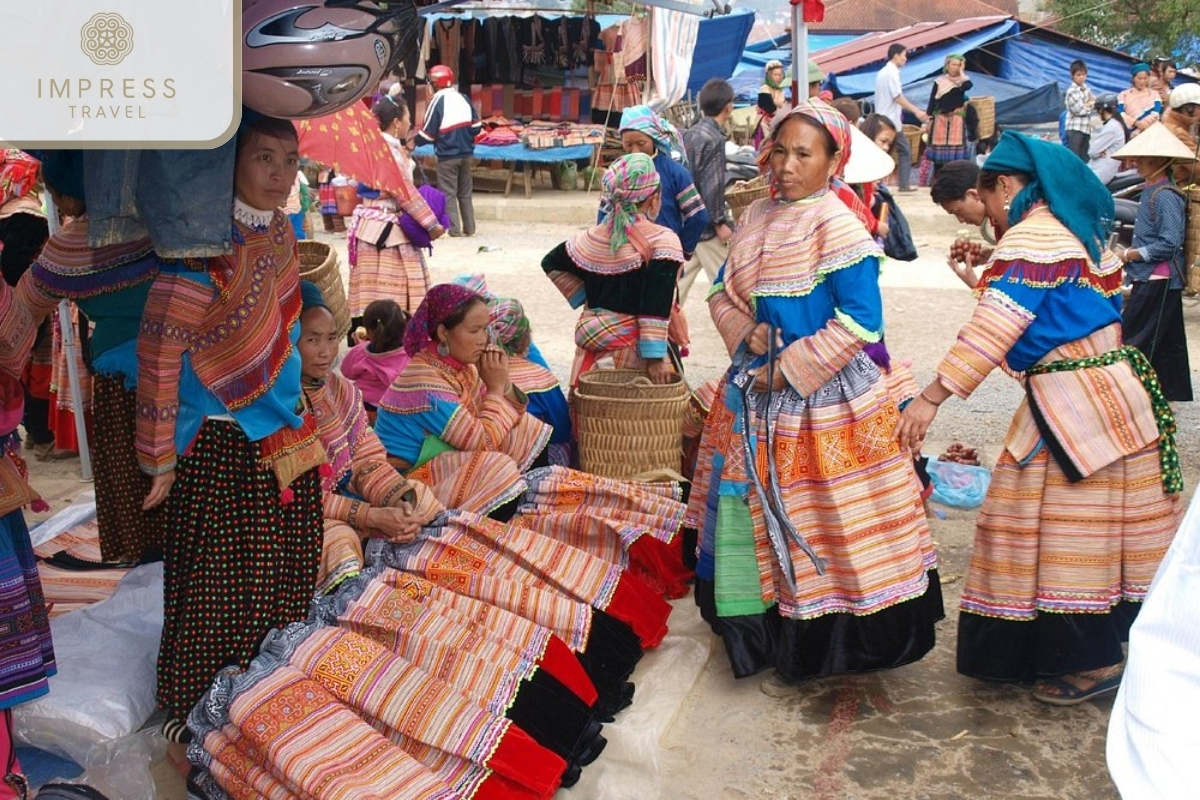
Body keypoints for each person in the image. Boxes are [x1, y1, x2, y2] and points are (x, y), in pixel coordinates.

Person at [896, 131, 1181, 706]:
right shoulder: (1075, 229)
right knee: (1099, 531)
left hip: (1073, 408)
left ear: (1005, 185)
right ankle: (1096, 647)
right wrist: (988, 270)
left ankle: (1086, 662)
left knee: (1063, 533)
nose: (992, 216)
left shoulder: (1031, 239)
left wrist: (932, 395)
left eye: (992, 201)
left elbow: (997, 327)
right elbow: (1052, 317)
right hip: (1104, 395)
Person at [687, 99, 942, 685]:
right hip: (752, 391)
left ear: (833, 161)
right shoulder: (754, 219)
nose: (786, 165)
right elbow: (720, 292)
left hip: (824, 401)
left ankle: (831, 639)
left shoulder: (840, 226)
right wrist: (744, 331)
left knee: (828, 515)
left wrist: (790, 369)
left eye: (804, 154)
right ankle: (758, 631)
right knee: (743, 510)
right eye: (780, 151)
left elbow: (859, 321)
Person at [136, 114, 328, 743]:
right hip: (218, 438)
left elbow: (289, 330)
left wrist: (299, 399)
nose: (279, 175)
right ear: (231, 163)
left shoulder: (278, 234)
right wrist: (159, 454)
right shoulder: (199, 240)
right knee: (218, 583)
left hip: (279, 429)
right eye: (264, 159)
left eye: (290, 161)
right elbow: (162, 349)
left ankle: (265, 698)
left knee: (283, 571)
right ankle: (203, 711)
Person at [374, 284, 692, 600]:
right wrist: (497, 388)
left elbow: (499, 420)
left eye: (487, 329)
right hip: (410, 483)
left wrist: (501, 386)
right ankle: (516, 509)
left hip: (452, 461)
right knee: (496, 463)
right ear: (443, 333)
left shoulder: (461, 368)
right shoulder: (424, 381)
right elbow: (481, 441)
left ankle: (528, 496)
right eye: (475, 330)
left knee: (523, 428)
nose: (485, 339)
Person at [2, 150, 165, 564]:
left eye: (55, 193)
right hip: (180, 366)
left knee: (129, 470)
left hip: (120, 375)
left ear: (69, 196)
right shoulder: (158, 220)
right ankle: (176, 549)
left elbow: (20, 314)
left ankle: (137, 550)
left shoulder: (71, 244)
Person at [544, 153, 682, 389]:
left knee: (594, 417)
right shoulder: (663, 241)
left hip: (593, 355)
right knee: (639, 423)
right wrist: (656, 358)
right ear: (654, 198)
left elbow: (551, 262)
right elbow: (654, 303)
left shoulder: (590, 238)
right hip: (636, 357)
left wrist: (589, 297)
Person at [1112, 124, 1194, 402]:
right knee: (1166, 340)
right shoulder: (1150, 191)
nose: (1137, 163)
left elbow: (1170, 242)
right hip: (1153, 277)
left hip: (1158, 277)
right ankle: (1164, 392)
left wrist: (1132, 254)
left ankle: (1122, 391)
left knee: (1134, 336)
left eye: (1143, 158)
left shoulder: (1166, 196)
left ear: (1161, 162)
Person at [349, 95, 445, 328]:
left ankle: (369, 332)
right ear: (396, 123)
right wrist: (432, 225)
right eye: (408, 118)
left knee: (371, 289)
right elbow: (404, 192)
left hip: (366, 226)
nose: (410, 124)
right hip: (387, 230)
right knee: (395, 293)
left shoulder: (368, 147)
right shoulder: (388, 152)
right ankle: (395, 336)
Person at [614, 105, 708, 258]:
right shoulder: (616, 174)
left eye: (641, 143)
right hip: (626, 259)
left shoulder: (675, 173)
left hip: (664, 258)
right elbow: (604, 217)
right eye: (628, 145)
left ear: (653, 139)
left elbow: (698, 216)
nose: (635, 151)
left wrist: (681, 249)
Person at [680, 79, 735, 304]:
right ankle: (739, 331)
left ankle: (659, 324)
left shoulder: (691, 134)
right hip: (705, 227)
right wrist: (720, 222)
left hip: (688, 220)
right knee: (727, 283)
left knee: (678, 281)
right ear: (728, 106)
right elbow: (711, 186)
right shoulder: (714, 139)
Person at [417, 64, 480, 238]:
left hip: (447, 156)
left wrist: (412, 142)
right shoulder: (463, 98)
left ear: (436, 83)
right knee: (465, 192)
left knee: (449, 193)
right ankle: (470, 228)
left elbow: (427, 134)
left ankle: (454, 230)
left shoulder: (437, 101)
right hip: (467, 154)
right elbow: (477, 127)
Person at [339, 298, 411, 422]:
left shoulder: (361, 352)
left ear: (370, 331)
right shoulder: (411, 353)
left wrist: (359, 347)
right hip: (398, 411)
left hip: (365, 409)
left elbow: (346, 371)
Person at [874, 43, 928, 192]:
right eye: (904, 55)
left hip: (885, 118)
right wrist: (916, 111)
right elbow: (898, 97)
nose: (905, 59)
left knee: (886, 151)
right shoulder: (890, 73)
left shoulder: (884, 72)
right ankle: (901, 185)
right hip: (889, 120)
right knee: (903, 151)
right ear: (896, 55)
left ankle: (880, 183)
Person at [925, 53, 978, 169]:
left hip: (956, 119)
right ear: (947, 65)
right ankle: (938, 179)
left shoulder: (962, 82)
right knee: (939, 156)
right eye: (953, 64)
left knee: (955, 157)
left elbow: (968, 85)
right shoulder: (939, 81)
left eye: (958, 65)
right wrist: (928, 118)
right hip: (940, 120)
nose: (955, 67)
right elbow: (932, 101)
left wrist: (962, 73)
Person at [1088, 93, 1131, 186]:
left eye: (1098, 110)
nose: (1098, 113)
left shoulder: (1112, 127)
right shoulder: (1114, 124)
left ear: (1102, 110)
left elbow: (1092, 152)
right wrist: (1101, 151)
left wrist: (1100, 152)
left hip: (1101, 171)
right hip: (1100, 168)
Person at [1163, 83, 1200, 186]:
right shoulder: (1178, 133)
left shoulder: (1172, 124)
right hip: (1181, 190)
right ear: (1188, 109)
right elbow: (1197, 168)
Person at [1119, 63, 1163, 135]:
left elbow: (1156, 112)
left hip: (1151, 131)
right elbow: (1121, 113)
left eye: (1145, 78)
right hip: (1130, 132)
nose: (1142, 81)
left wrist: (1143, 125)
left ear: (1148, 78)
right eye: (1139, 78)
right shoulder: (1124, 95)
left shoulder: (1154, 94)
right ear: (1133, 78)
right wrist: (1135, 123)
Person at [1063, 59, 1095, 162]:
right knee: (1075, 158)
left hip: (1085, 128)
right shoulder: (1072, 91)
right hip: (1075, 129)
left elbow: (1094, 101)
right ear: (1072, 75)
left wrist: (1088, 104)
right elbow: (1081, 111)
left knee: (1084, 157)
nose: (1081, 77)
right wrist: (1089, 104)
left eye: (1083, 74)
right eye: (1078, 75)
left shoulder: (1086, 88)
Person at [754, 59, 787, 147]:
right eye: (775, 75)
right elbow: (768, 106)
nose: (778, 77)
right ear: (769, 75)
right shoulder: (764, 88)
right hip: (766, 122)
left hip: (777, 119)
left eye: (780, 75)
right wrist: (779, 114)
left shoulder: (781, 89)